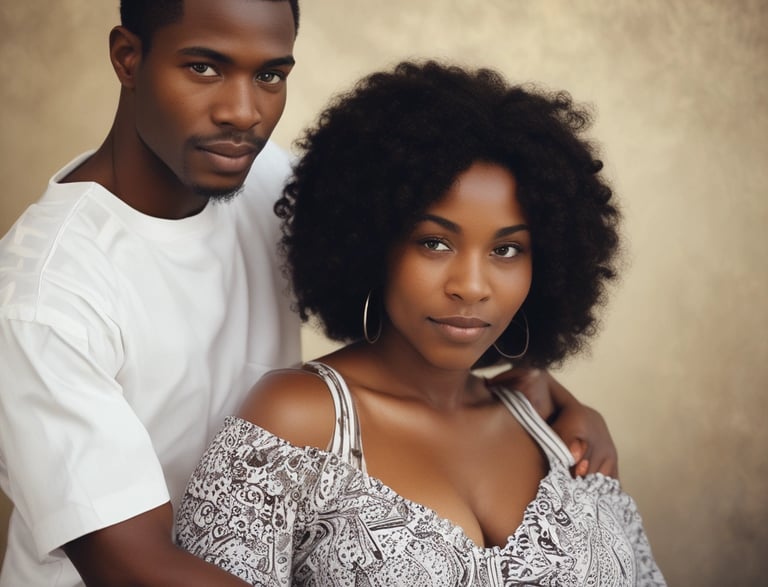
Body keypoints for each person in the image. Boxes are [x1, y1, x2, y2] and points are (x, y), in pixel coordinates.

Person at [0, 2, 612, 586]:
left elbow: (427, 233)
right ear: (128, 58)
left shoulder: (259, 181)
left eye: (269, 74)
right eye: (204, 67)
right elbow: (135, 572)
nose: (242, 112)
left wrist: (540, 396)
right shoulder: (45, 296)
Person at [176, 61, 666, 585]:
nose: (472, 285)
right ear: (370, 242)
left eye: (506, 249)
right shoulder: (296, 421)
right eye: (434, 242)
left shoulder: (555, 433)